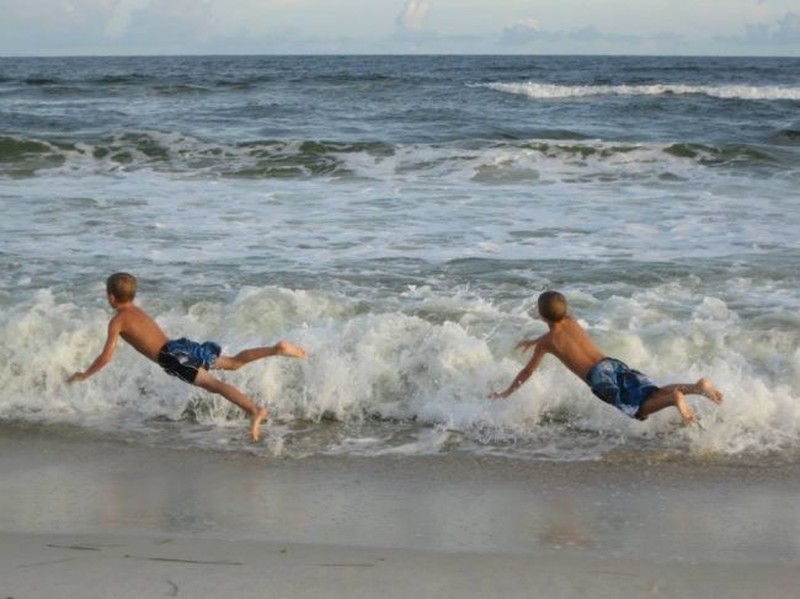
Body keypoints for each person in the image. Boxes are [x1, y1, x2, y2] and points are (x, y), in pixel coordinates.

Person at [68, 272, 307, 441]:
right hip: (180, 347)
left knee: (216, 386)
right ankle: (275, 349)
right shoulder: (137, 311)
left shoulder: (118, 321)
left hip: (172, 358)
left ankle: (254, 409)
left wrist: (85, 374)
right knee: (234, 363)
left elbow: (106, 356)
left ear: (111, 297)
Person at [490, 290, 723, 423]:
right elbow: (558, 323)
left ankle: (674, 398)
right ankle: (696, 387)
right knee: (650, 391)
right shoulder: (571, 321)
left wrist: (506, 392)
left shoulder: (546, 343)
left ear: (541, 317)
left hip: (600, 378)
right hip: (611, 364)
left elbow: (528, 371)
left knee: (640, 409)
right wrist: (536, 339)